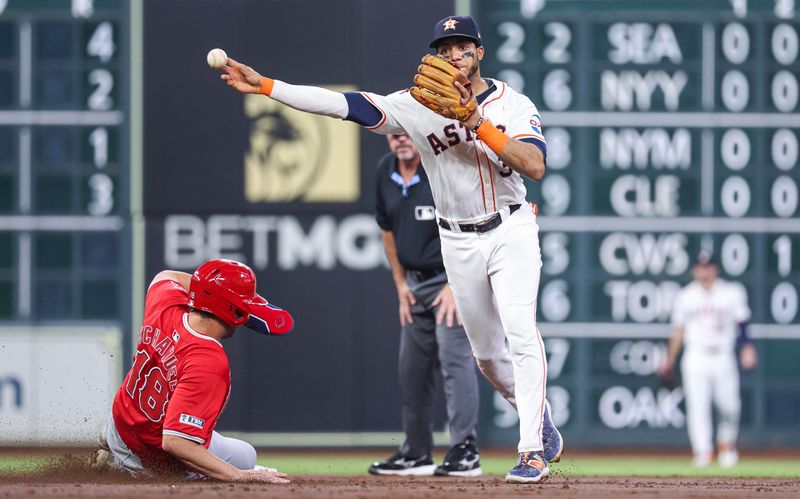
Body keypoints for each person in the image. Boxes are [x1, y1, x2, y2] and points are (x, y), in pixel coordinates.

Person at [214, 14, 563, 483]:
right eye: (445, 48)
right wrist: (268, 86)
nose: (453, 54)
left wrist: (477, 122)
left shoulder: (512, 104)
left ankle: (531, 451)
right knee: (485, 356)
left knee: (521, 330)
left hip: (511, 229)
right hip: (456, 239)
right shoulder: (416, 107)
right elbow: (342, 105)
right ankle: (536, 416)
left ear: (480, 53)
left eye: (463, 46)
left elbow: (535, 165)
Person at [93, 259, 294, 482]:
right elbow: (175, 442)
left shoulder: (166, 302)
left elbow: (166, 275)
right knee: (246, 458)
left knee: (234, 452)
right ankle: (124, 467)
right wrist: (239, 475)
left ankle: (113, 444)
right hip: (149, 455)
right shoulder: (208, 361)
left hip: (121, 422)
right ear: (232, 310)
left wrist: (207, 290)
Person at [369, 133, 481, 477]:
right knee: (412, 370)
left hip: (450, 280)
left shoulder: (442, 169)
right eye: (393, 133)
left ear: (418, 133)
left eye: (406, 132)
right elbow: (386, 229)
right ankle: (416, 452)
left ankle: (465, 450)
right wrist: (400, 284)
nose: (400, 139)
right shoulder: (385, 170)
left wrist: (455, 284)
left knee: (453, 360)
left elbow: (472, 227)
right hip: (415, 283)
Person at [659, 251, 757, 468]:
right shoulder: (686, 295)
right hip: (696, 355)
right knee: (697, 406)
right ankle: (703, 451)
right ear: (695, 270)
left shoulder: (731, 292)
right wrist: (670, 358)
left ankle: (726, 446)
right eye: (701, 267)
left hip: (723, 354)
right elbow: (678, 331)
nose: (705, 271)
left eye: (709, 266)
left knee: (729, 405)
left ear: (715, 269)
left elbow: (742, 323)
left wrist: (747, 347)